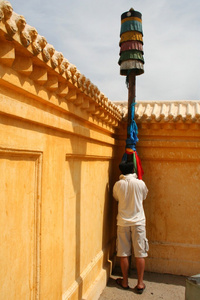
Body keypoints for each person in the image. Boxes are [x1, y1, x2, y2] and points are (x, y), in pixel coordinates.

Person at [113, 160, 149, 294]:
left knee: (123, 253)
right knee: (140, 254)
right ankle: (140, 283)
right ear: (133, 169)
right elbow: (144, 196)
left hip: (123, 222)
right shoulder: (140, 184)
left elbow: (116, 198)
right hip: (138, 222)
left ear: (121, 171)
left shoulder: (118, 185)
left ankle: (125, 281)